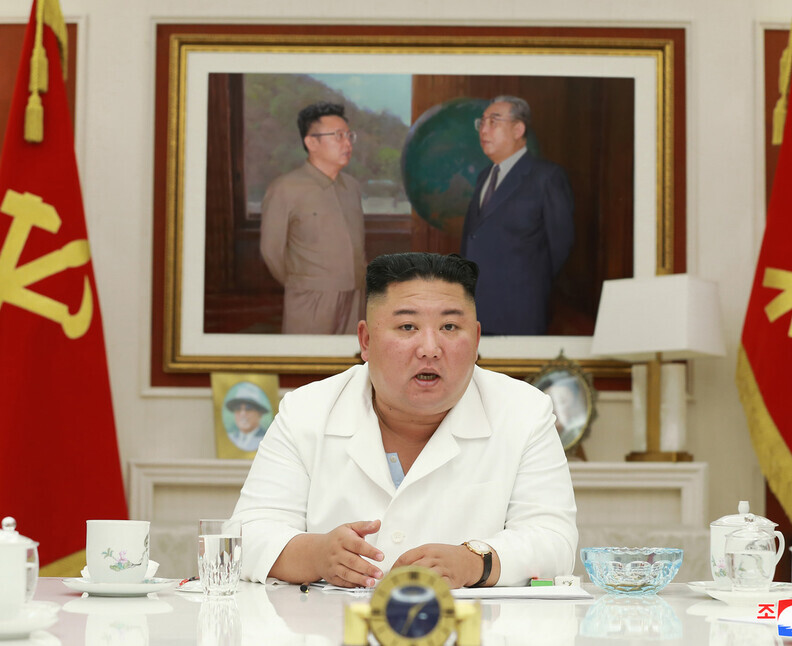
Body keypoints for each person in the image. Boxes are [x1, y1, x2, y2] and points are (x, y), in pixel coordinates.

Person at [228, 252, 578, 588]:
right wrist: (318, 555)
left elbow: (554, 541)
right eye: (408, 326)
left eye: (450, 326)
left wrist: (473, 561)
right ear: (366, 340)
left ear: (475, 341)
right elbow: (245, 535)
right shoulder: (306, 410)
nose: (429, 348)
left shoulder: (524, 412)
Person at [460, 95, 575, 336]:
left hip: (520, 309)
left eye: (494, 122)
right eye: (481, 122)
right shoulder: (485, 176)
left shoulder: (547, 177)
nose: (484, 129)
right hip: (477, 308)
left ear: (518, 129)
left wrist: (527, 283)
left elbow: (560, 247)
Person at [260, 102, 366, 334]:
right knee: (306, 367)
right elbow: (272, 251)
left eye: (349, 136)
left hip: (356, 295)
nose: (347, 143)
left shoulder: (352, 187)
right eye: (338, 136)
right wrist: (303, 282)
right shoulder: (285, 188)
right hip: (310, 297)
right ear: (312, 143)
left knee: (349, 368)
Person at [223, 382, 272, 452]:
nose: (242, 413)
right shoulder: (232, 437)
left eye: (248, 408)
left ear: (260, 413)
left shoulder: (266, 439)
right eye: (238, 409)